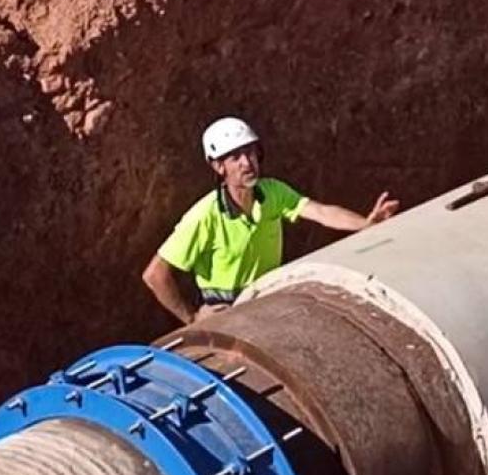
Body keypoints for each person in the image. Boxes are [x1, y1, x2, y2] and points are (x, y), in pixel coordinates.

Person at [142, 116, 399, 324]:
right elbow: (155, 274)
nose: (247, 163)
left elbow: (321, 212)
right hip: (227, 315)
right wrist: (193, 317)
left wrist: (365, 225)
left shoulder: (272, 192)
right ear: (218, 167)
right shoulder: (204, 216)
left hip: (265, 301)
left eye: (250, 153)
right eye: (235, 157)